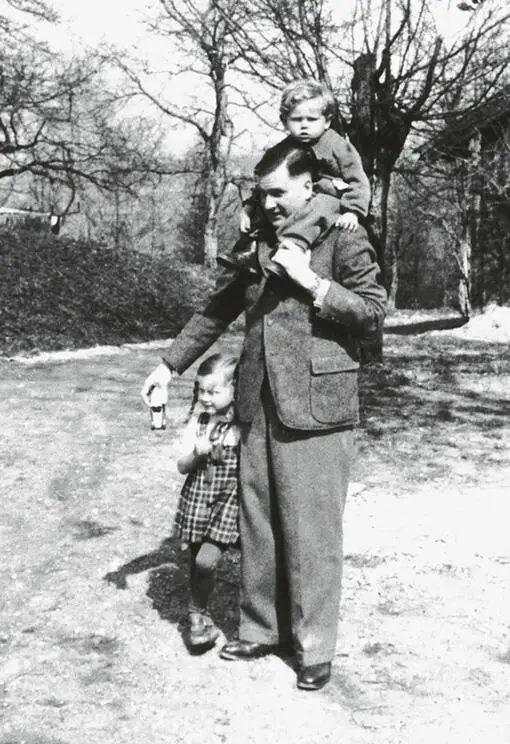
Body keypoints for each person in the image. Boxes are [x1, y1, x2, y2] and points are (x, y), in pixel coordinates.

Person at [141, 142, 386, 691]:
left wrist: (314, 284)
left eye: (279, 192)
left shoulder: (343, 237)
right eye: (262, 193)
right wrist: (167, 366)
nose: (269, 203)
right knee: (259, 522)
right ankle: (261, 628)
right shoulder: (259, 244)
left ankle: (315, 646)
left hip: (319, 409)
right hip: (254, 402)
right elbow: (218, 309)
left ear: (309, 186)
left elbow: (373, 312)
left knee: (312, 532)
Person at [217, 78, 371, 275]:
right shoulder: (284, 148)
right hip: (297, 197)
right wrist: (250, 205)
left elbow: (358, 179)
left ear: (327, 121)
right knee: (269, 205)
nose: (304, 126)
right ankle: (250, 252)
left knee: (319, 204)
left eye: (312, 119)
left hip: (331, 198)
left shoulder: (337, 146)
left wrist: (353, 211)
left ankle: (292, 250)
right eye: (297, 120)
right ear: (285, 122)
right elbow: (267, 179)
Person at [173, 353, 240, 651]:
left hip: (229, 500)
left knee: (206, 559)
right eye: (201, 390)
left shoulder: (243, 423)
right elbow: (182, 466)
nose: (206, 398)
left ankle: (255, 619)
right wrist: (198, 452)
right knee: (197, 560)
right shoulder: (198, 422)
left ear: (235, 389)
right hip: (200, 498)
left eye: (214, 391)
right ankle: (198, 617)